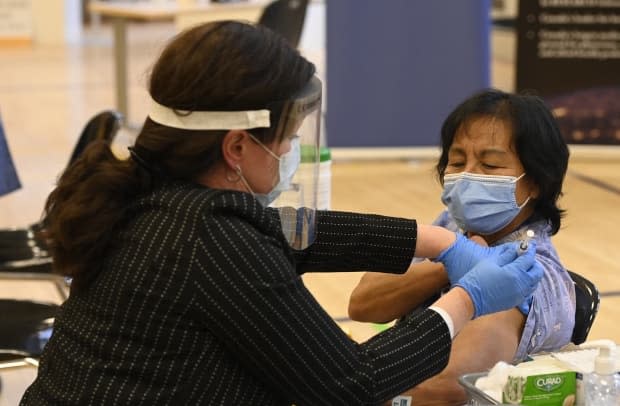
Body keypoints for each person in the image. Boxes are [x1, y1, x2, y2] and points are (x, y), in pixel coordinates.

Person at [21, 22, 543, 405]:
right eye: (289, 138)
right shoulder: (213, 241)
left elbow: (290, 232)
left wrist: (438, 242)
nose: (293, 150)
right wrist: (465, 301)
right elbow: (349, 384)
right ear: (237, 147)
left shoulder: (148, 191)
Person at [348, 89, 575, 405]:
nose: (468, 175)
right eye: (457, 161)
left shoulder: (525, 270)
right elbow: (363, 303)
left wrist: (342, 391)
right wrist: (451, 261)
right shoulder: (454, 227)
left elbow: (449, 389)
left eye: (491, 165)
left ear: (536, 181)